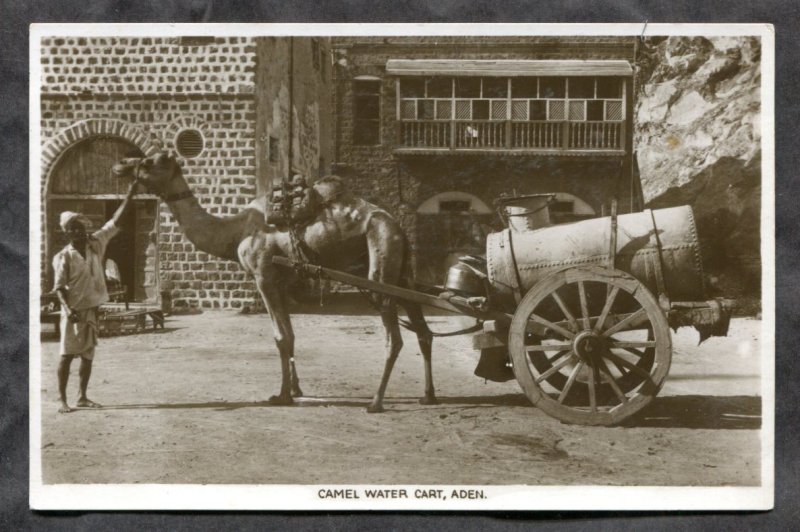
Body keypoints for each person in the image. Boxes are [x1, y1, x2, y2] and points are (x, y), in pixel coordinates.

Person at [53, 179, 139, 413]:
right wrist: (68, 310)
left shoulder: (95, 244)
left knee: (88, 356)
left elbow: (116, 222)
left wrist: (131, 192)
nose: (78, 231)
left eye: (80, 226)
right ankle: (62, 400)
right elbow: (58, 287)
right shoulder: (64, 257)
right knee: (67, 356)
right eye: (73, 228)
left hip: (91, 310)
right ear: (67, 232)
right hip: (72, 313)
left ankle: (82, 396)